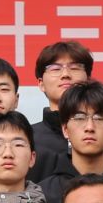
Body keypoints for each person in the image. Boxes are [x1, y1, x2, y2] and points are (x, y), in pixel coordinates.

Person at [30, 40, 96, 181]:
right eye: (55, 69)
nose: (65, 74)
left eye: (75, 67)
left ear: (88, 79)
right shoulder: (27, 138)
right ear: (41, 84)